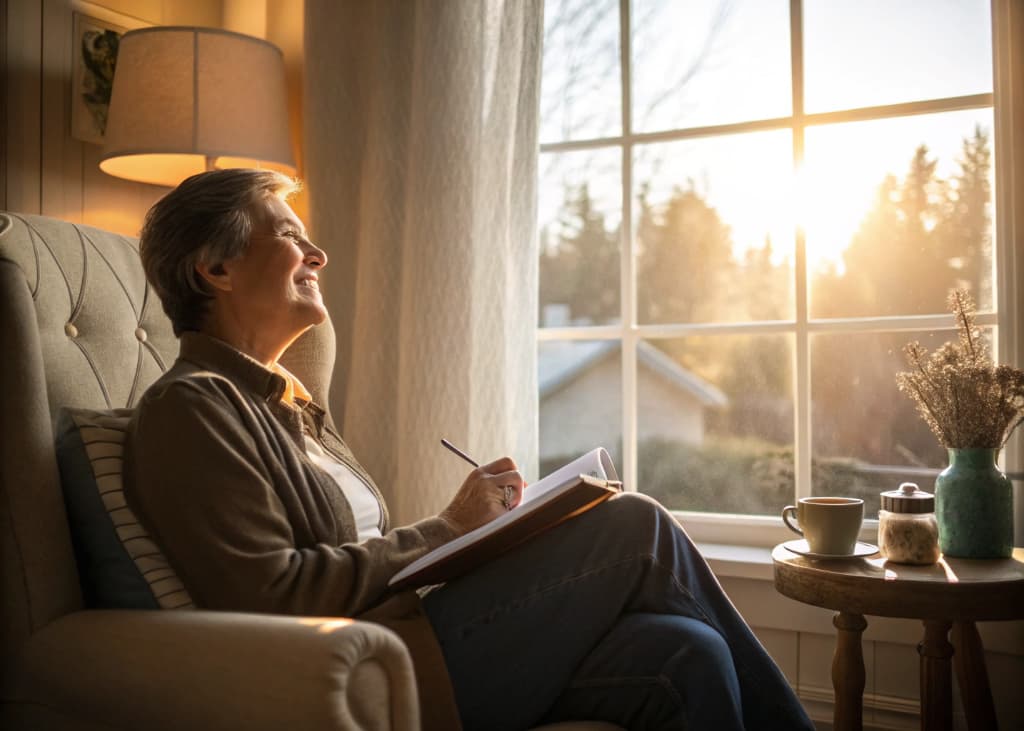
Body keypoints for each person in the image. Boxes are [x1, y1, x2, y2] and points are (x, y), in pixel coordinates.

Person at [125, 168, 815, 731]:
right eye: (289, 236)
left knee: (690, 653)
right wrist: (447, 528)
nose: (319, 255)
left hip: (422, 630)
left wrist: (488, 535)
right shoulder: (191, 408)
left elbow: (360, 556)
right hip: (382, 668)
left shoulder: (291, 402)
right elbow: (270, 595)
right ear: (215, 267)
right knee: (635, 525)